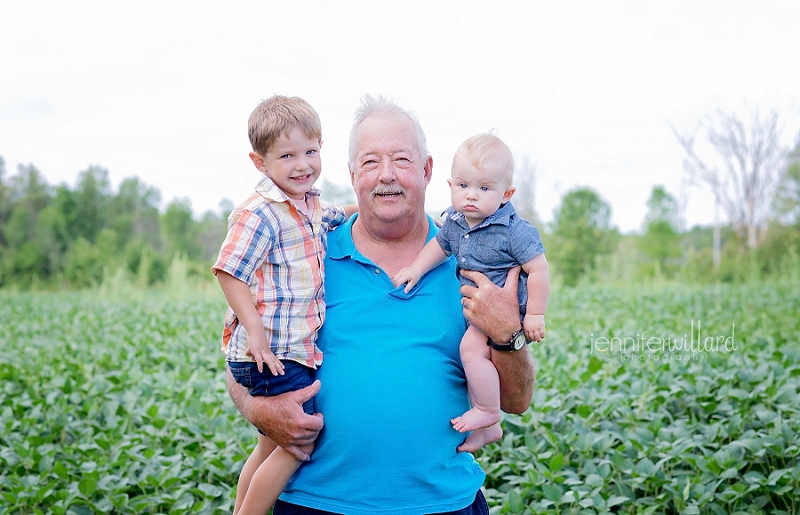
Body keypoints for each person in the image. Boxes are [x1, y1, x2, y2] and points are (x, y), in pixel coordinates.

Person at [226, 94, 536, 514]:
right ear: (352, 175)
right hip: (312, 505)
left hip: (443, 504)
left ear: (427, 171)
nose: (386, 175)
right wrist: (258, 408)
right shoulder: (305, 252)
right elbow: (241, 356)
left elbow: (516, 401)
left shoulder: (475, 262)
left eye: (402, 160)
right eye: (370, 162)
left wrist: (509, 333)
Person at [211, 95, 357, 515]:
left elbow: (339, 214)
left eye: (311, 151)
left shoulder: (309, 203)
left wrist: (368, 210)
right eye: (287, 155)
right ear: (260, 162)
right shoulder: (260, 213)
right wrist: (253, 328)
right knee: (299, 441)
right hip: (273, 352)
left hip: (284, 351)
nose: (302, 165)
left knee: (269, 444)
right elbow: (228, 271)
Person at [393, 132, 550, 452]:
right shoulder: (455, 222)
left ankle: (488, 412)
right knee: (480, 362)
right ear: (451, 186)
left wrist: (534, 313)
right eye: (464, 186)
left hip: (502, 308)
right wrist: (415, 269)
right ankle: (488, 428)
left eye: (484, 188)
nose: (472, 196)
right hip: (476, 309)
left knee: (470, 350)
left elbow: (539, 269)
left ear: (507, 194)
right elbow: (439, 246)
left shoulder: (514, 230)